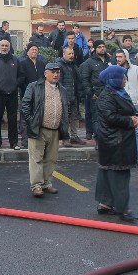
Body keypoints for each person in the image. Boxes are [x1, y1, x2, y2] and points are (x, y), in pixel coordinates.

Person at [95, 65, 138, 223]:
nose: (125, 79)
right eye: (122, 77)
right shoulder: (107, 95)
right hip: (115, 141)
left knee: (108, 172)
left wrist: (135, 116)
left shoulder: (117, 92)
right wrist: (130, 121)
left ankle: (106, 203)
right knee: (120, 174)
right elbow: (110, 117)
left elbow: (129, 109)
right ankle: (123, 209)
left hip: (114, 140)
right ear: (114, 78)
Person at [21, 62, 69, 197]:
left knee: (51, 159)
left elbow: (66, 109)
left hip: (55, 129)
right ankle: (36, 185)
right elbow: (25, 105)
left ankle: (47, 183)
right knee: (36, 158)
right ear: (45, 73)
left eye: (58, 72)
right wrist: (32, 122)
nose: (55, 74)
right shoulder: (35, 86)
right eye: (53, 72)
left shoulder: (62, 89)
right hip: (39, 129)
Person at [0, 39, 24, 150]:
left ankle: (14, 143)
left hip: (12, 94)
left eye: (6, 45)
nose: (4, 47)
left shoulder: (15, 60)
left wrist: (15, 84)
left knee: (12, 119)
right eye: (2, 45)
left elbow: (21, 76)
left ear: (9, 47)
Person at [116, 49, 138, 167]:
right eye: (117, 57)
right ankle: (124, 158)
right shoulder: (116, 70)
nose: (118, 59)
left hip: (135, 104)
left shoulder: (136, 69)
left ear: (126, 57)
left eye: (120, 57)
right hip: (122, 105)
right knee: (122, 131)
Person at [79, 40, 110, 143]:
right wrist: (91, 93)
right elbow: (85, 79)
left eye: (103, 46)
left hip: (108, 94)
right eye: (100, 47)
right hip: (95, 95)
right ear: (95, 49)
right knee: (95, 116)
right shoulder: (89, 62)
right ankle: (97, 138)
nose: (102, 48)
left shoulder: (109, 61)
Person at [18, 44, 46, 148]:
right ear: (27, 52)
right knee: (25, 118)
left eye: (36, 49)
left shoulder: (42, 64)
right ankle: (25, 141)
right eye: (32, 49)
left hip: (40, 95)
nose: (34, 51)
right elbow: (21, 79)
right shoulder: (22, 63)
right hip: (26, 95)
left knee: (39, 118)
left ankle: (37, 139)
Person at [58, 46, 86, 147]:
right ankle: (65, 138)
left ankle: (74, 136)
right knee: (65, 118)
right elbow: (59, 82)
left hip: (74, 96)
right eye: (69, 54)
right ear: (64, 54)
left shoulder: (74, 65)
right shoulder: (60, 66)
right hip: (64, 97)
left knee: (74, 117)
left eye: (72, 54)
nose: (72, 56)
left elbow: (78, 80)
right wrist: (62, 96)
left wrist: (79, 93)